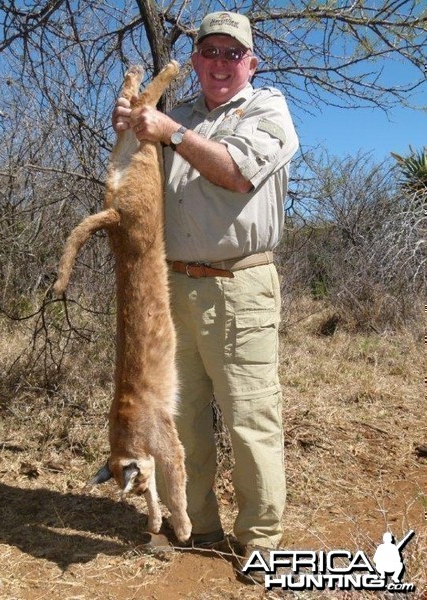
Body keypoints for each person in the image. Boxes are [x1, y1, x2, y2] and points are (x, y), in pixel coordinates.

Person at [112, 11, 299, 572]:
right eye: (209, 52)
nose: (220, 62)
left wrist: (168, 132)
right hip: (170, 289)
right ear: (194, 60)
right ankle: (194, 524)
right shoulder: (180, 113)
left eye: (231, 54)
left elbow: (237, 171)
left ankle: (261, 540)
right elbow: (142, 175)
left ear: (251, 63)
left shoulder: (266, 109)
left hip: (240, 285)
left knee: (250, 416)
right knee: (182, 415)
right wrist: (130, 128)